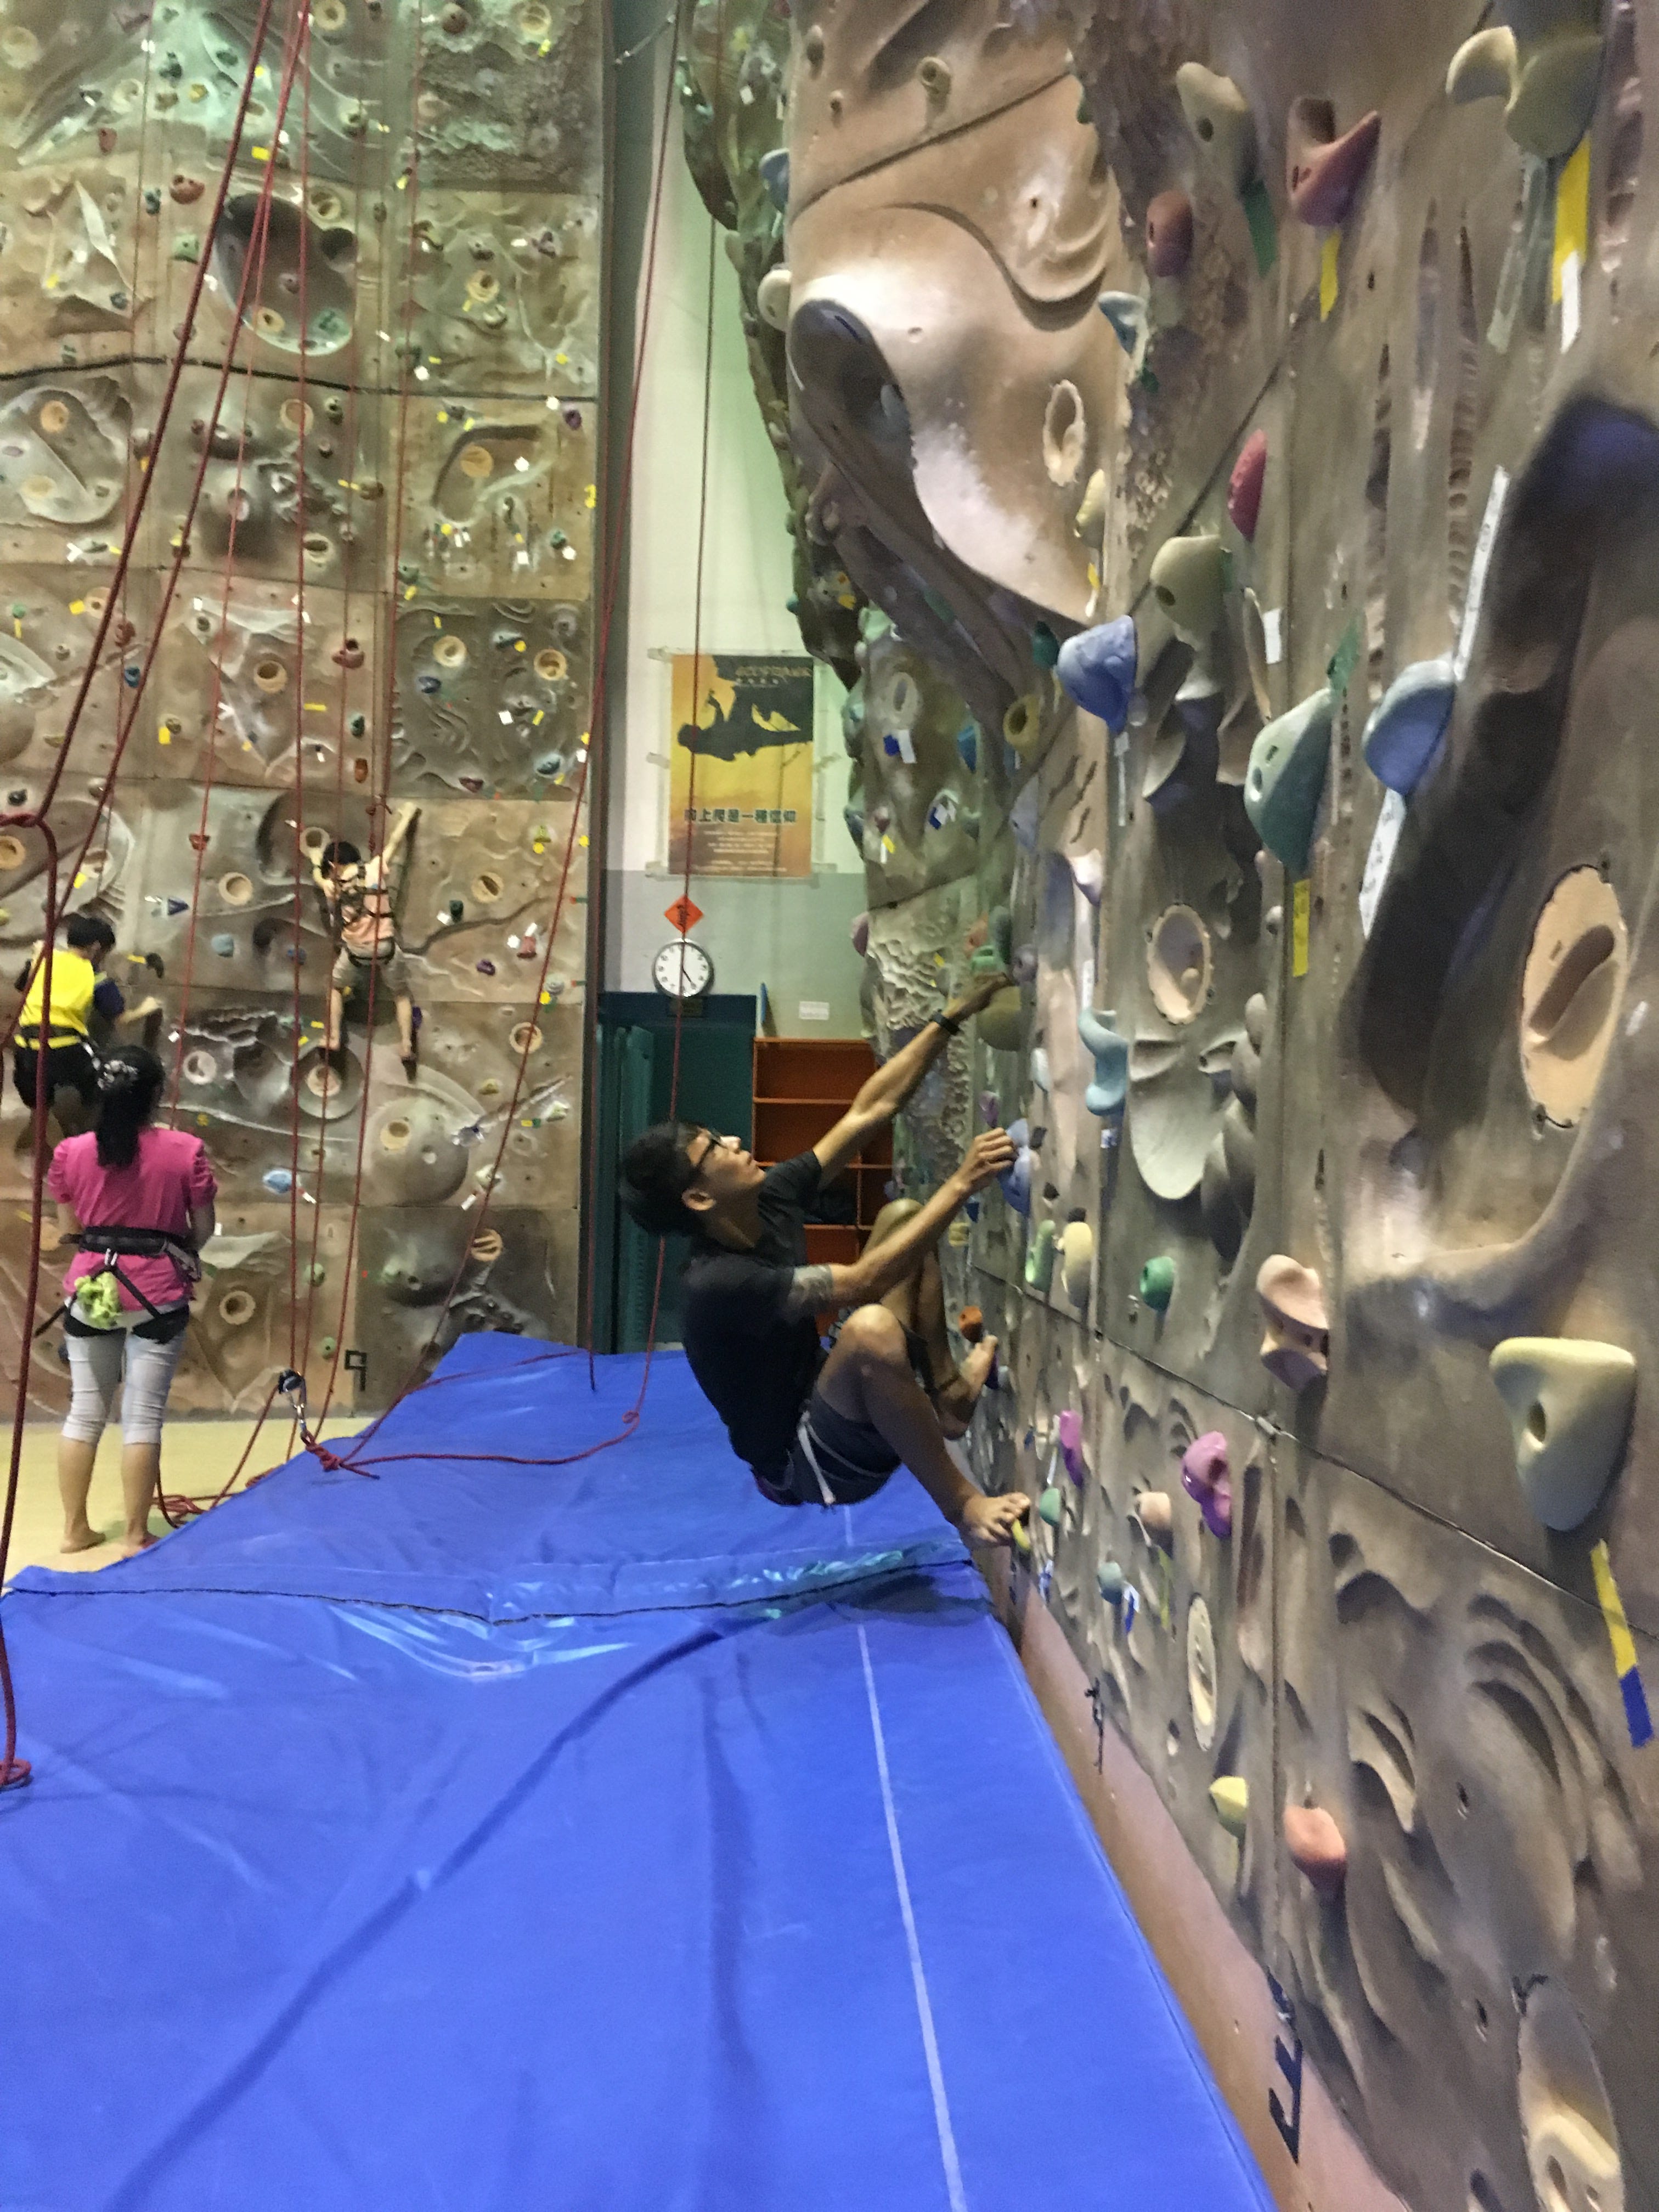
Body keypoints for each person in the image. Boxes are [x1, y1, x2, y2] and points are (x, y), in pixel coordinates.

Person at [619, 975, 1031, 1545]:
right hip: (805, 1463)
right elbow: (869, 1280)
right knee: (869, 1332)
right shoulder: (719, 1282)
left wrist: (950, 1019)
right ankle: (962, 1505)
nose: (736, 1141)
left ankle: (949, 1398)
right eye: (716, 1149)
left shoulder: (770, 1197)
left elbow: (871, 1109)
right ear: (699, 1199)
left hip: (823, 1394)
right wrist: (962, 1183)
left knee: (905, 1216)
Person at [46, 1046, 217, 1556]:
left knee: (85, 1412)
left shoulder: (70, 1153)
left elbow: (68, 1230)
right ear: (157, 1095)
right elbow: (201, 1231)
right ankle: (136, 1534)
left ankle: (76, 1530)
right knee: (142, 1418)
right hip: (158, 1291)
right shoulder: (185, 1150)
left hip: (91, 1289)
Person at [313, 802, 421, 1078]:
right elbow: (395, 842)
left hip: (356, 952)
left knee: (336, 988)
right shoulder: (374, 869)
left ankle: (334, 1037)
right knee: (401, 994)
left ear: (333, 865)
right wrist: (408, 815)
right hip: (386, 949)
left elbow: (319, 876)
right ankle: (407, 1044)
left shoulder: (333, 887)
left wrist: (319, 867)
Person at [12, 914, 125, 1138]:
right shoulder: (95, 976)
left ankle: (40, 1124)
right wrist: (149, 1006)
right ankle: (92, 1127)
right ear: (96, 948)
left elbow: (22, 988)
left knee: (38, 1094)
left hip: (25, 1049)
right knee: (103, 1080)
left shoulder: (42, 959)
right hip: (66, 1051)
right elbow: (121, 1017)